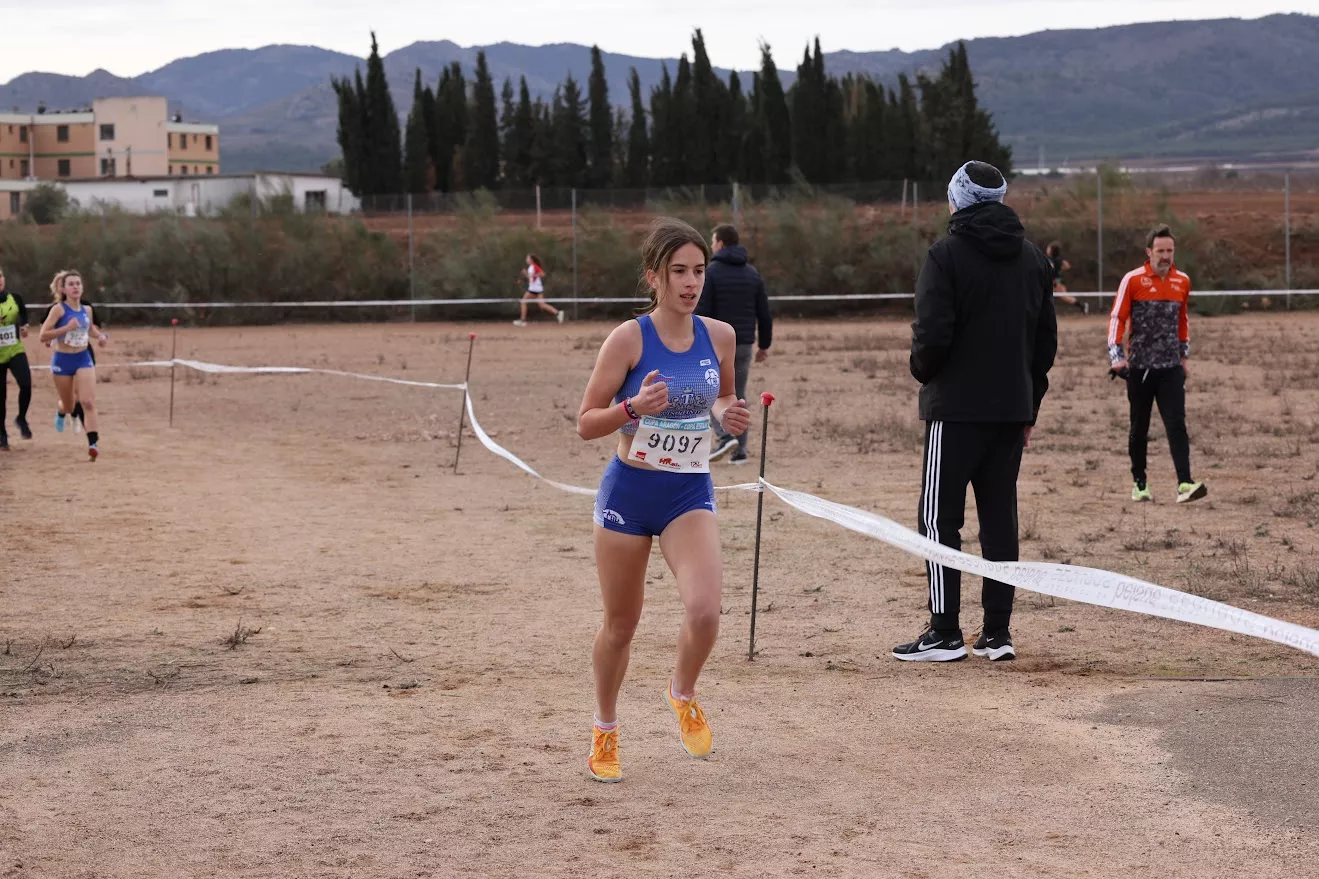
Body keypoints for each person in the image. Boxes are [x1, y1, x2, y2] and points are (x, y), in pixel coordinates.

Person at [575, 217, 750, 783]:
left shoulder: (718, 336)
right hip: (630, 491)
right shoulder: (628, 338)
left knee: (704, 611)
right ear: (654, 275)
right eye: (678, 271)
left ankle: (683, 692)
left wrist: (730, 413)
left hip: (687, 490)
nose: (691, 281)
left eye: (698, 270)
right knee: (621, 626)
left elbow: (720, 398)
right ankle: (605, 728)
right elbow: (585, 423)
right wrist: (633, 410)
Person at [896, 160, 1057, 663]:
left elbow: (932, 334)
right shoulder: (1033, 259)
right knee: (999, 517)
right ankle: (997, 632)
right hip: (1011, 411)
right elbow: (1044, 342)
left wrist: (922, 370)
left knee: (937, 517)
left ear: (958, 198)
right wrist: (1029, 404)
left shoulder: (944, 255)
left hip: (955, 410)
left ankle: (944, 632)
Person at [1108, 225, 1206, 504]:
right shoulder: (1134, 280)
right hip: (1139, 368)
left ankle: (1185, 483)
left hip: (1171, 368)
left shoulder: (1182, 281)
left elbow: (1182, 320)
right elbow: (1118, 318)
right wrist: (1117, 358)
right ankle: (1140, 484)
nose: (1165, 256)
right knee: (1139, 428)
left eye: (1170, 251)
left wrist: (1183, 356)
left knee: (1177, 425)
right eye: (1160, 250)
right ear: (1149, 252)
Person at [696, 224, 772, 464]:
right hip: (745, 345)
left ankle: (724, 436)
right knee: (736, 394)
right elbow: (764, 312)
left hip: (716, 345)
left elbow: (702, 311)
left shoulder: (711, 273)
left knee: (710, 392)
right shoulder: (752, 273)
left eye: (712, 240)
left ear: (720, 244)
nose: (710, 245)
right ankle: (740, 450)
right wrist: (764, 344)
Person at [38, 270, 108, 461]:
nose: (75, 287)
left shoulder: (87, 310)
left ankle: (93, 443)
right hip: (62, 360)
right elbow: (43, 335)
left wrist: (100, 336)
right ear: (64, 289)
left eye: (78, 283)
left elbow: (91, 328)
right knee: (70, 406)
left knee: (88, 401)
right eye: (71, 284)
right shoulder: (58, 310)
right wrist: (66, 328)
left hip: (83, 358)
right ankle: (61, 410)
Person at [0, 265, 34, 451]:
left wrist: (25, 327)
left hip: (14, 349)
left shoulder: (16, 298)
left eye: (0, 276)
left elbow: (23, 316)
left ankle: (21, 417)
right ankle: (2, 434)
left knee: (26, 384)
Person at [513, 254, 565, 327]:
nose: (526, 260)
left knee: (523, 302)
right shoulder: (531, 267)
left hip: (534, 289)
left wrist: (533, 275)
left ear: (531, 260)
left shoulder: (534, 266)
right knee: (542, 305)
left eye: (527, 258)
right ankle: (558, 313)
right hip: (537, 288)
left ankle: (523, 320)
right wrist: (526, 274)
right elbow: (531, 278)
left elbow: (543, 274)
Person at [1047, 241, 1086, 313]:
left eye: (1049, 248)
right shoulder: (1059, 259)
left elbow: (1051, 269)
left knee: (1064, 297)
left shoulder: (1050, 260)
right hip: (1058, 281)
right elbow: (1067, 266)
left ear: (1052, 250)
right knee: (1061, 297)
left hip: (1055, 282)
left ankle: (1082, 306)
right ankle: (1082, 306)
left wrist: (1054, 278)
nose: (1047, 249)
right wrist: (1059, 270)